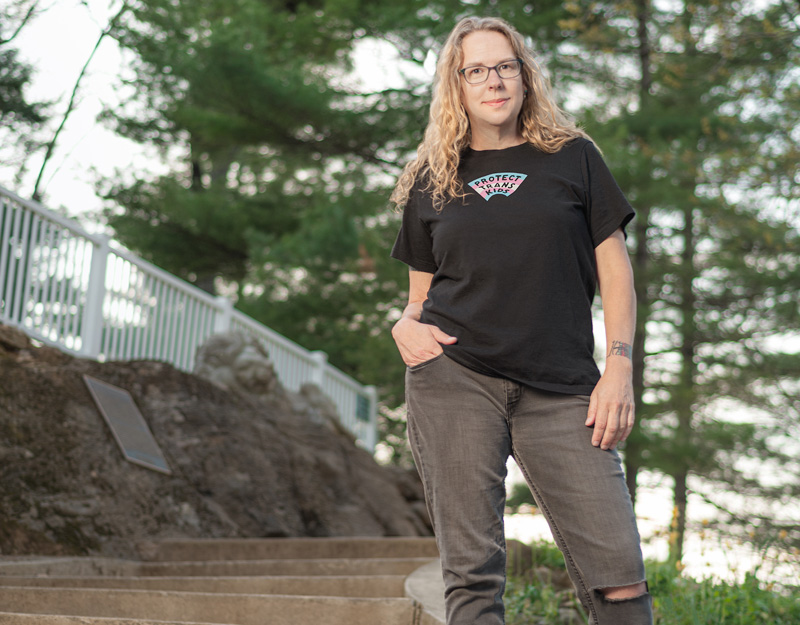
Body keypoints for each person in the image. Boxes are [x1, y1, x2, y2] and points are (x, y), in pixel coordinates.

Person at [389, 16, 653, 625]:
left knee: (620, 578)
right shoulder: (433, 176)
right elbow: (419, 295)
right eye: (476, 70)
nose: (493, 80)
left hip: (562, 386)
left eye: (505, 66)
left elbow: (615, 270)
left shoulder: (573, 157)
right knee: (472, 579)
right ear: (456, 86)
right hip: (455, 380)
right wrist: (405, 323)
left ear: (525, 76)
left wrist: (618, 366)